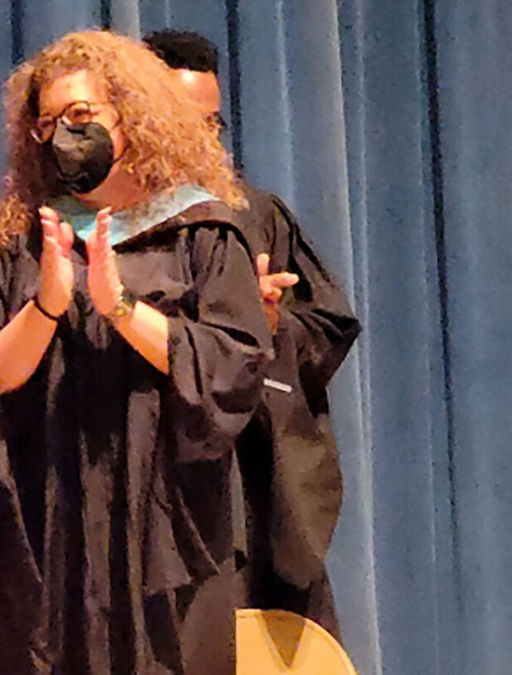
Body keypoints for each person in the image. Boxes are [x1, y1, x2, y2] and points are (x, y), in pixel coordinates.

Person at [0, 30, 271, 674]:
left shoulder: (203, 231)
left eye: (81, 117)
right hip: (49, 527)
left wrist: (118, 304)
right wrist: (45, 306)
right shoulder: (19, 241)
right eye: (47, 124)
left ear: (133, 117)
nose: (63, 136)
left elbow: (232, 367)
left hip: (166, 529)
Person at [144, 29, 362, 638]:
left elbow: (327, 328)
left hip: (254, 490)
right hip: (151, 502)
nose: (199, 143)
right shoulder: (99, 236)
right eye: (180, 123)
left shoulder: (254, 217)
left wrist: (267, 329)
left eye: (211, 126)